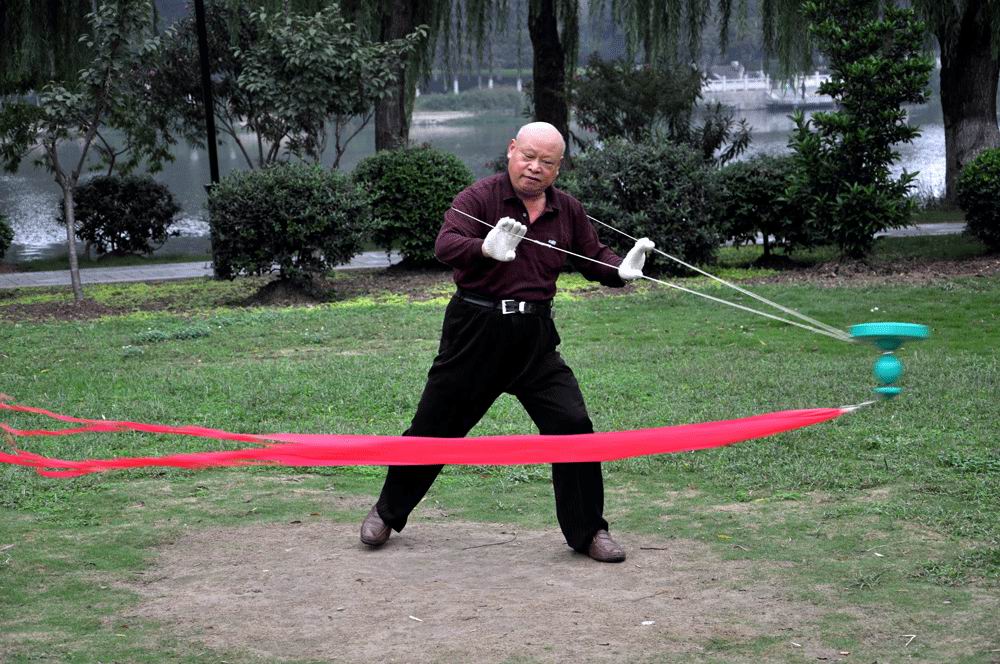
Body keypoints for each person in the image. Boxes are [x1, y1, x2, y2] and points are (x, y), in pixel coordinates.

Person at [360, 122, 654, 563]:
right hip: (474, 332)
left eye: (547, 163)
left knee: (573, 426)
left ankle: (589, 531)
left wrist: (621, 270)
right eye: (528, 156)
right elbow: (445, 245)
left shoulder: (568, 209)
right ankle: (387, 512)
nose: (534, 168)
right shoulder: (478, 198)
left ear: (558, 168)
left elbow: (594, 256)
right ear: (512, 150)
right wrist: (484, 248)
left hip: (534, 340)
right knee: (434, 428)